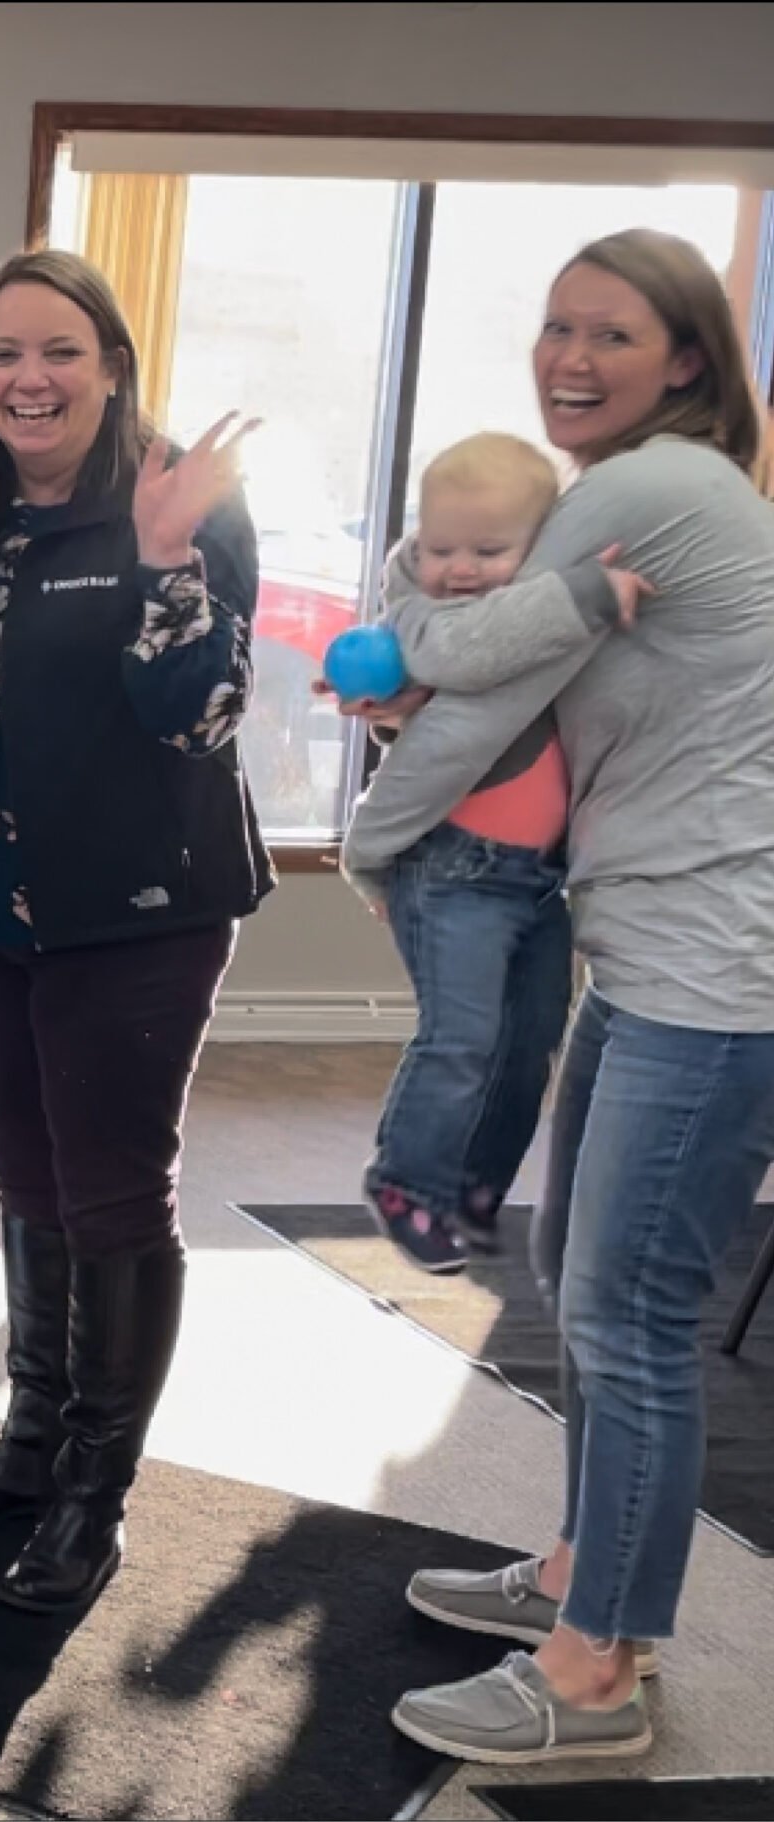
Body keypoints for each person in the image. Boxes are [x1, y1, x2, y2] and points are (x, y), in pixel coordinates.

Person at [377, 231, 774, 1764]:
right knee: (581, 1276)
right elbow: (492, 669)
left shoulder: (648, 489)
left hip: (716, 968)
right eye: (553, 327)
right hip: (662, 944)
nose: (569, 358)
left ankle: (599, 1669)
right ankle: (574, 1575)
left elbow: (475, 656)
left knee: (629, 1313)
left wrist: (408, 677)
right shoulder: (650, 488)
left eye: (611, 334)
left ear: (685, 360)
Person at [0, 250, 270, 1613]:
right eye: (2, 355)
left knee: (112, 1195)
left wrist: (166, 556)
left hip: (141, 913)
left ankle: (96, 1501)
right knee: (27, 1181)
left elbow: (200, 721)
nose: (29, 380)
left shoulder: (179, 501)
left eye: (60, 351)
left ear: (111, 361)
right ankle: (33, 1450)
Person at [340, 435, 642, 1273]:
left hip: (537, 880)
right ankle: (407, 1181)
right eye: (440, 549)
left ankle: (472, 1186)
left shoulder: (543, 623)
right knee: (462, 1038)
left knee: (531, 1040)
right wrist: (582, 591)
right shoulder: (431, 616)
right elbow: (459, 651)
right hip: (450, 869)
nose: (460, 569)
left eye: (487, 551)